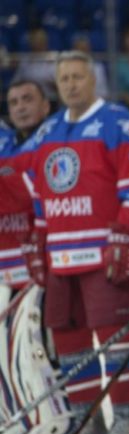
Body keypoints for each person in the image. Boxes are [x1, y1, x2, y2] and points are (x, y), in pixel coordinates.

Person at [17, 51, 129, 434]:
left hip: (104, 255)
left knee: (116, 343)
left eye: (78, 77)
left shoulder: (118, 122)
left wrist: (125, 236)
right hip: (60, 258)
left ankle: (126, 423)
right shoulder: (48, 131)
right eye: (64, 78)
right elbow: (36, 193)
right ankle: (85, 421)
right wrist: (38, 242)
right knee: (70, 341)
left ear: (93, 80)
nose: (71, 84)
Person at [0, 80, 51, 291]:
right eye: (14, 103)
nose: (20, 107)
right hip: (8, 261)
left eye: (27, 99)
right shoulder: (5, 144)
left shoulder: (55, 140)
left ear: (45, 106)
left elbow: (32, 195)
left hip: (47, 255)